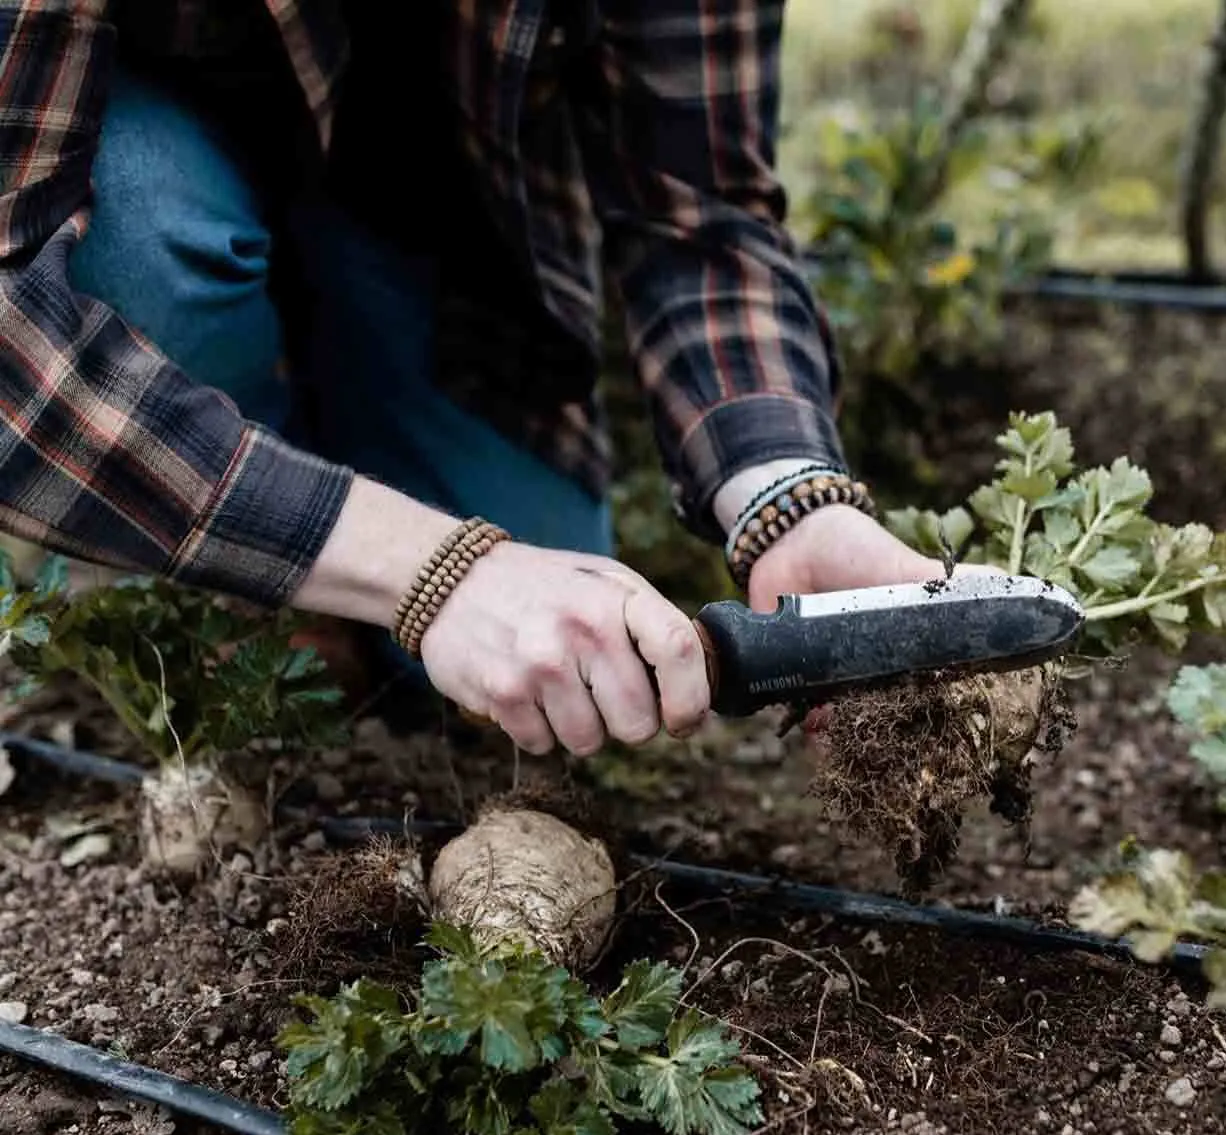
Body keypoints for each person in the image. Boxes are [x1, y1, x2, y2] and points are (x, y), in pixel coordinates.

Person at [0, 1, 944, 759]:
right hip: (134, 176)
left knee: (558, 666)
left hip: (418, 214)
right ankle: (228, 588)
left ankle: (307, 471)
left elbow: (698, 215)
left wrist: (786, 496)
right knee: (141, 243)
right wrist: (433, 571)